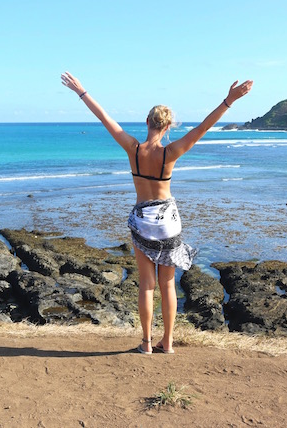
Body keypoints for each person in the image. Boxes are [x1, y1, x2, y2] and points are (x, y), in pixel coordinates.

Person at [61, 71, 253, 354]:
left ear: (146, 123)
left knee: (146, 286)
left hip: (143, 222)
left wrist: (81, 91)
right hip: (169, 224)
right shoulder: (170, 152)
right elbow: (202, 128)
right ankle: (169, 343)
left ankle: (147, 343)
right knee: (168, 286)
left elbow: (104, 118)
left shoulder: (133, 148)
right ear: (168, 127)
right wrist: (228, 101)